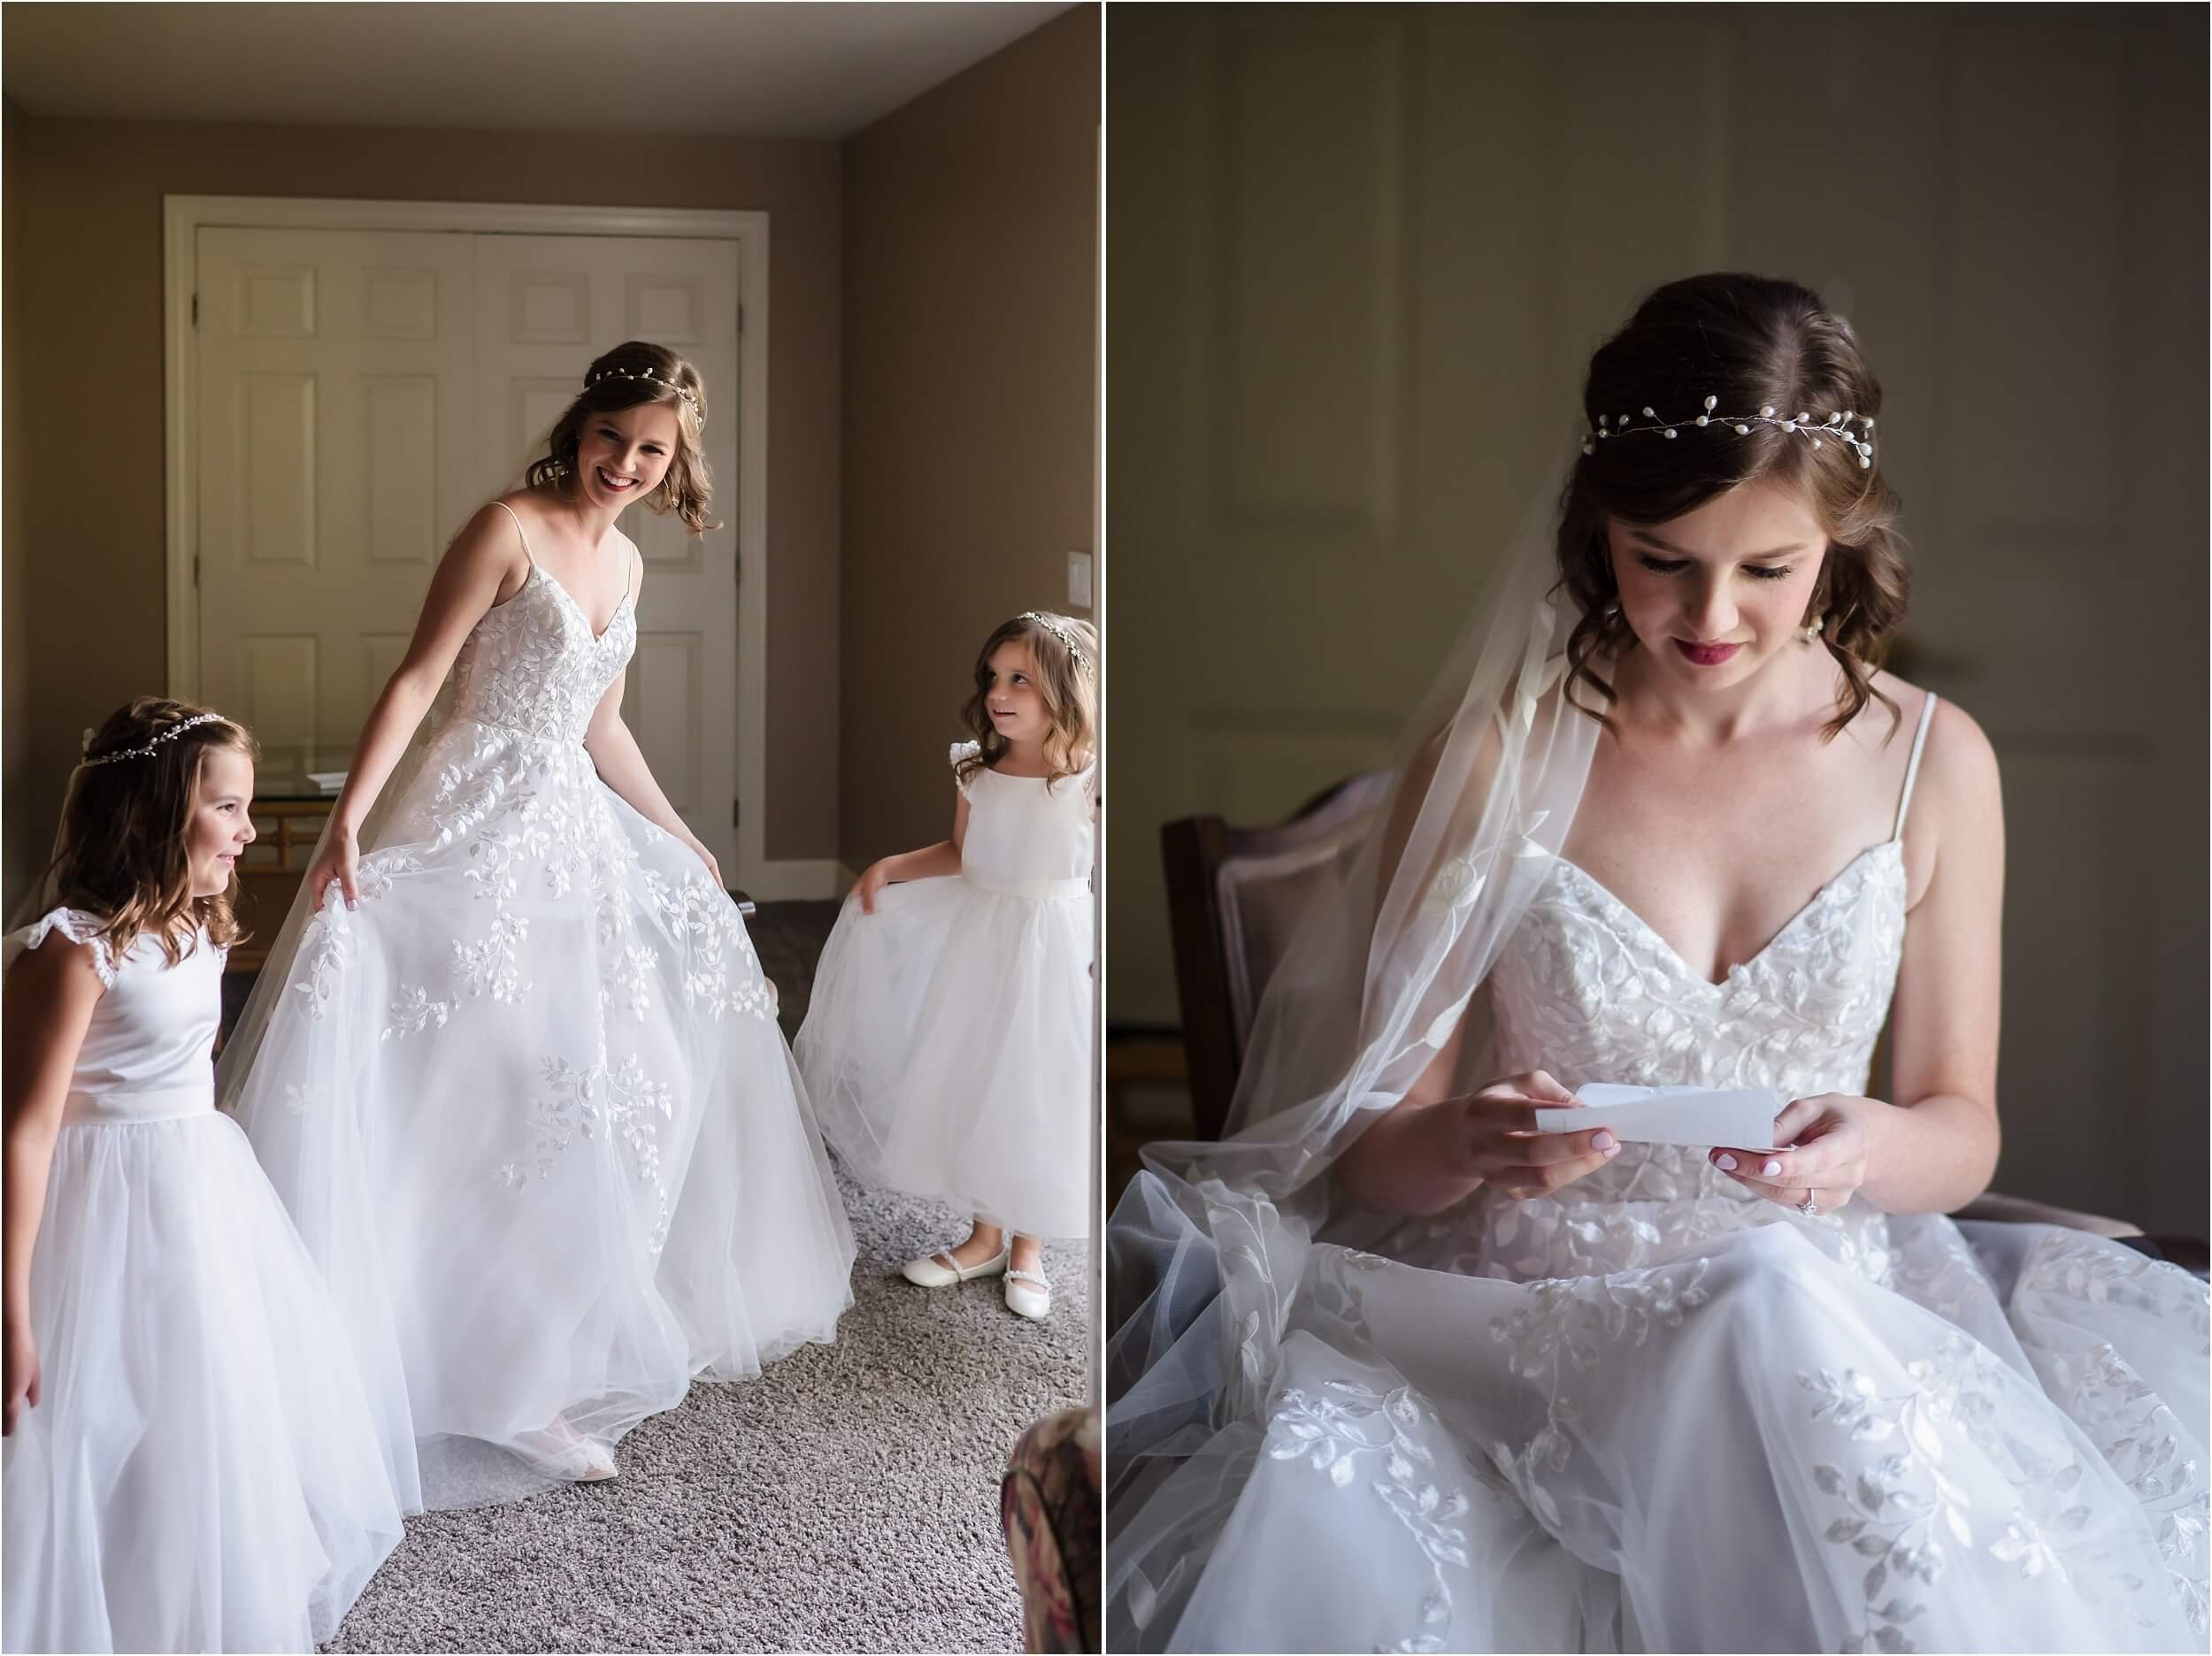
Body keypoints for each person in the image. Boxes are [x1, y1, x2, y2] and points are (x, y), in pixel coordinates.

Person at [1105, 274, 2208, 1652]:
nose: (1713, 619)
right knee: (1740, 1320)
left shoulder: (1938, 765)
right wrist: (1474, 1140)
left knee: (1770, 1302)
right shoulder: (1500, 760)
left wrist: (1861, 1151)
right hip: (1536, 1322)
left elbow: (1961, 1126)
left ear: (1842, 543)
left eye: (1770, 570)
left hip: (1832, 1309)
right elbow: (1370, 1152)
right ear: (1594, 529)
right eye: (1661, 558)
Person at [219, 341, 855, 1507]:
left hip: (572, 836)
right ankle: (447, 1363)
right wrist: (350, 823)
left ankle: (540, 1360)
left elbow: (602, 727)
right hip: (472, 820)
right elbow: (418, 679)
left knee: (640, 1084)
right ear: (579, 428)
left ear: (675, 466)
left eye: (650, 451)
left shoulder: (628, 565)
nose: (623, 463)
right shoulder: (504, 530)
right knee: (486, 1087)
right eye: (610, 437)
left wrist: (681, 834)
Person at [4, 699, 404, 1652]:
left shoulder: (204, 930)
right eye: (228, 809)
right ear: (155, 810)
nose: (249, 830)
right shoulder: (76, 947)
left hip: (198, 1195)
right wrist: (13, 1305)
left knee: (206, 1404)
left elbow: (194, 1075)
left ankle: (180, 1595)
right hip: (91, 1206)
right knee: (87, 1415)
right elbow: (25, 1131)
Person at [797, 612, 1098, 1321]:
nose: (999, 693)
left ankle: (1028, 1248)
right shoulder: (977, 769)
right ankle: (983, 1237)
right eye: (993, 678)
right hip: (985, 941)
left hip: (1055, 945)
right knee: (977, 1079)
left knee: (1036, 1088)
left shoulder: (1087, 778)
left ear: (1064, 691)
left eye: (1020, 680)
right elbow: (962, 854)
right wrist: (892, 867)